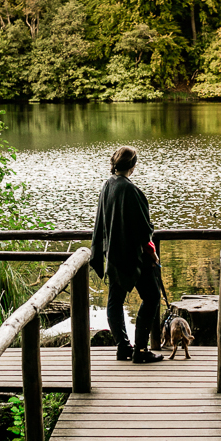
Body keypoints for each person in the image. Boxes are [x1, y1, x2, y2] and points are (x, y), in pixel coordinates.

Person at [90, 145, 164, 364]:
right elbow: (143, 229)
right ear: (132, 166)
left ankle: (123, 347)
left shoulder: (107, 185)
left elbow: (103, 222)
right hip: (133, 257)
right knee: (151, 297)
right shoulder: (130, 190)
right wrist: (152, 253)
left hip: (114, 254)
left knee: (115, 301)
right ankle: (140, 351)